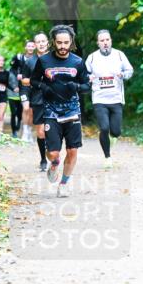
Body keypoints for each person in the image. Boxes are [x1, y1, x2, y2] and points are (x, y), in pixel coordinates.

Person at [30, 25, 91, 197]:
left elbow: (87, 86)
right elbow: (33, 81)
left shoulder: (78, 62)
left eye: (66, 42)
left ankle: (64, 183)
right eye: (59, 43)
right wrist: (44, 87)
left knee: (72, 151)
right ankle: (55, 163)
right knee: (54, 152)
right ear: (53, 42)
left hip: (72, 111)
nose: (63, 46)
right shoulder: (44, 61)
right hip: (51, 111)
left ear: (71, 42)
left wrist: (77, 86)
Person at [85, 29, 134, 167]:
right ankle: (107, 157)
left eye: (107, 40)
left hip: (116, 99)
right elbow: (83, 73)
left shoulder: (119, 55)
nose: (105, 43)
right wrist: (89, 77)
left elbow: (129, 70)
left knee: (116, 132)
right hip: (99, 99)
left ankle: (113, 139)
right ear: (98, 43)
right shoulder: (92, 57)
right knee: (104, 128)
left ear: (111, 40)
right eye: (102, 40)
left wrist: (123, 75)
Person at [20, 33, 50, 170]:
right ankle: (43, 159)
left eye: (43, 41)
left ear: (48, 42)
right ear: (35, 44)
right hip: (38, 100)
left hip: (56, 99)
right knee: (41, 132)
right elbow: (24, 80)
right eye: (39, 42)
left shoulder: (56, 59)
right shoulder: (30, 61)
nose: (41, 44)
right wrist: (38, 83)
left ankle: (53, 153)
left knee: (55, 130)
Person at [11, 41, 36, 140]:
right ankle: (25, 132)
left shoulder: (37, 58)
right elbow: (12, 68)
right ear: (25, 47)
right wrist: (18, 75)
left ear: (34, 47)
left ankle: (29, 131)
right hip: (23, 87)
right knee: (25, 108)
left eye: (32, 46)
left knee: (31, 111)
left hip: (34, 87)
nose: (30, 47)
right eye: (28, 46)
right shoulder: (19, 57)